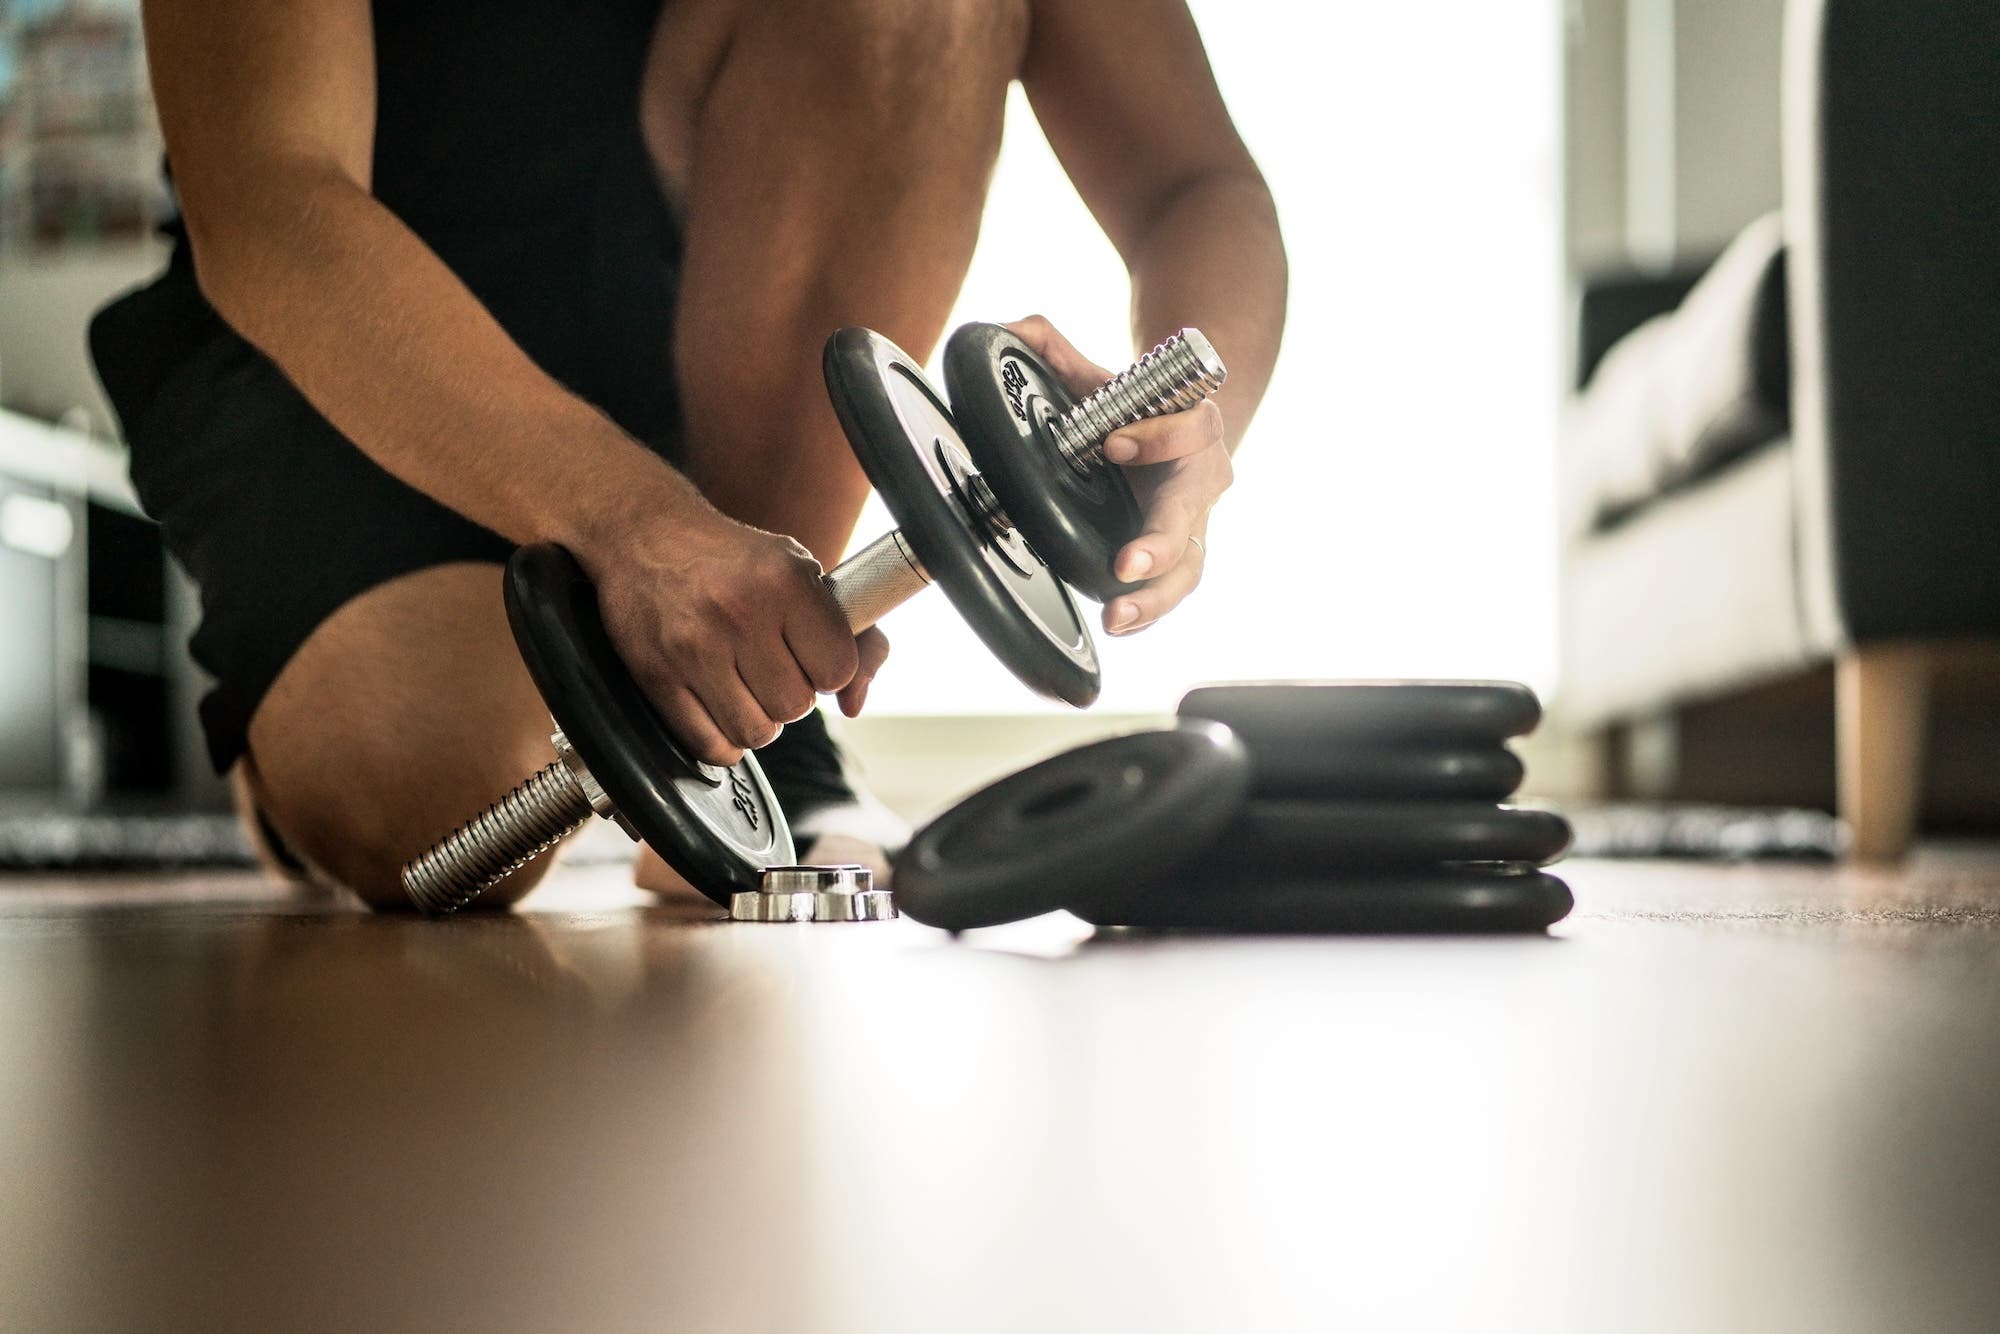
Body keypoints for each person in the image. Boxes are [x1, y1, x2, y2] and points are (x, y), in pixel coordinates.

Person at [89, 0, 1288, 909]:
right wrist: (629, 521)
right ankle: (301, 743)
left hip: (687, 338)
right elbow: (269, 200)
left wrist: (1191, 403)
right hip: (357, 349)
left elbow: (1194, 181)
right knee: (449, 805)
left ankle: (763, 721)